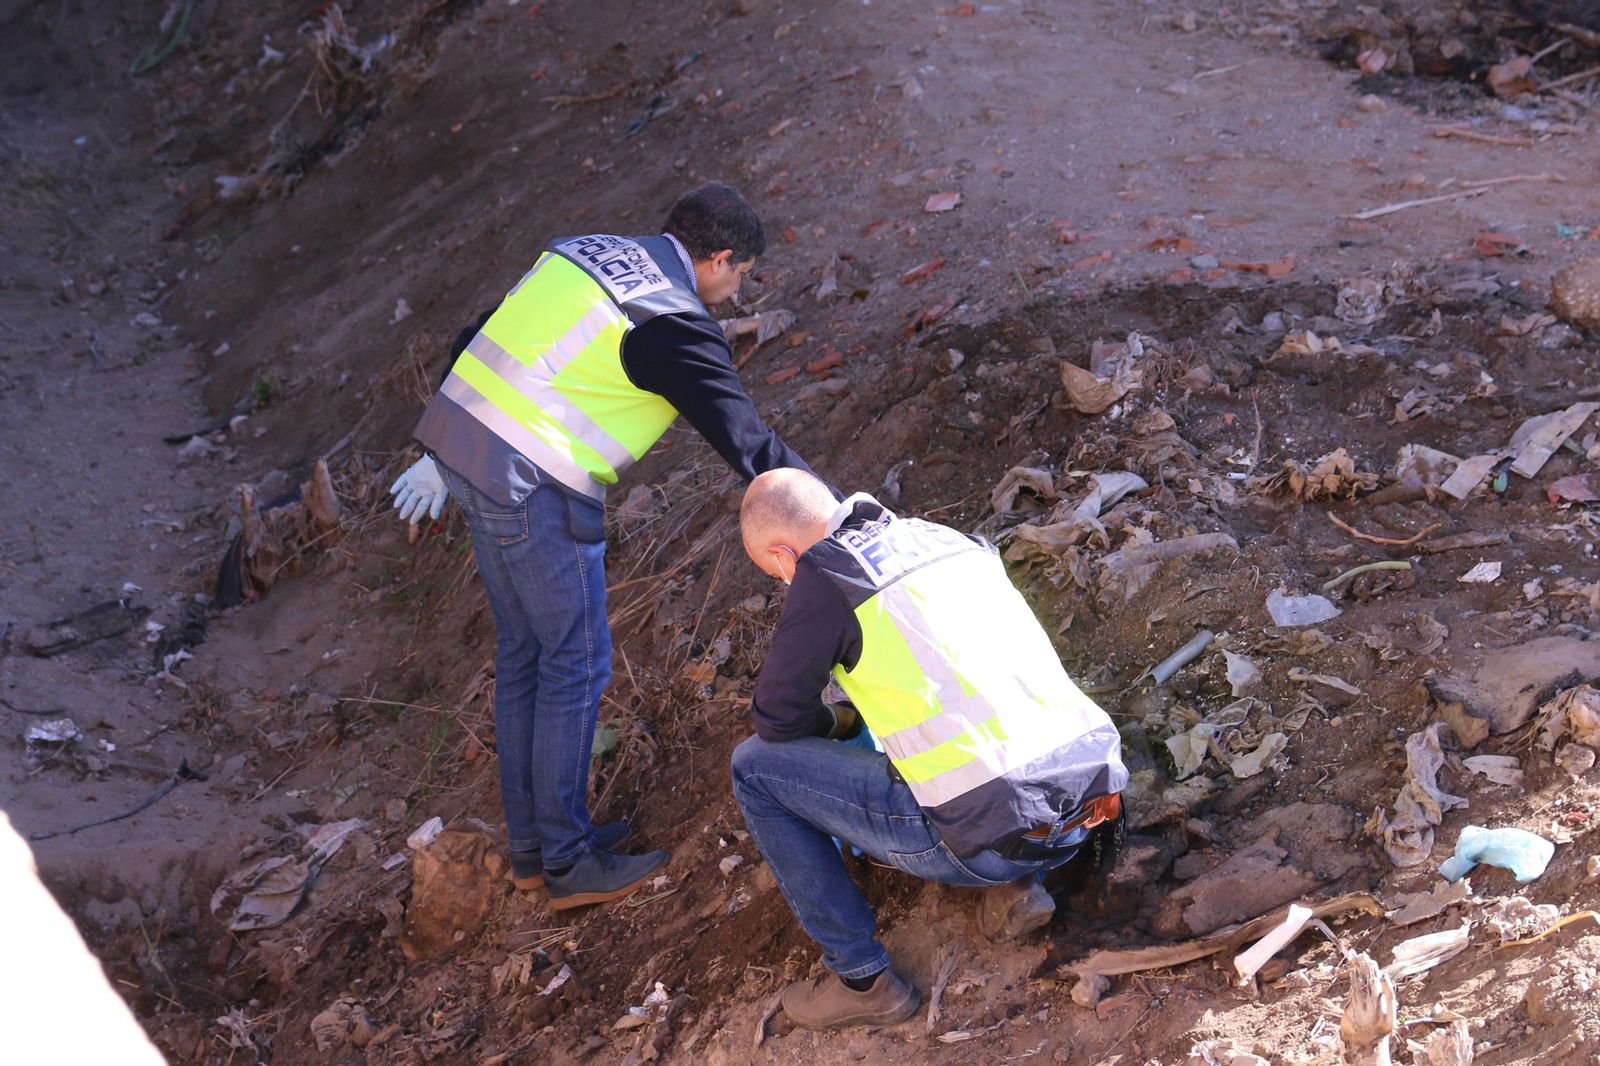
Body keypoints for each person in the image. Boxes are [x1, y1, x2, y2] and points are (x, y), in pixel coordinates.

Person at [389, 183, 821, 910]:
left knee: (526, 653)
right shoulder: (673, 320)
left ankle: (533, 851)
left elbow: (481, 331)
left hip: (466, 454)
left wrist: (438, 443)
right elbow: (748, 443)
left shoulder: (589, 252)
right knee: (573, 661)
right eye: (741, 274)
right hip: (532, 486)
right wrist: (834, 518)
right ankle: (567, 862)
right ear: (718, 259)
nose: (735, 289)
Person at [732, 469, 1129, 1029]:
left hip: (989, 840)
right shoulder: (943, 538)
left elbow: (777, 718)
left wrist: (839, 721)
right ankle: (1015, 883)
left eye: (776, 573)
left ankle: (863, 980)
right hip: (1090, 806)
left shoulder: (826, 575)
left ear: (782, 554)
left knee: (752, 768)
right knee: (913, 709)